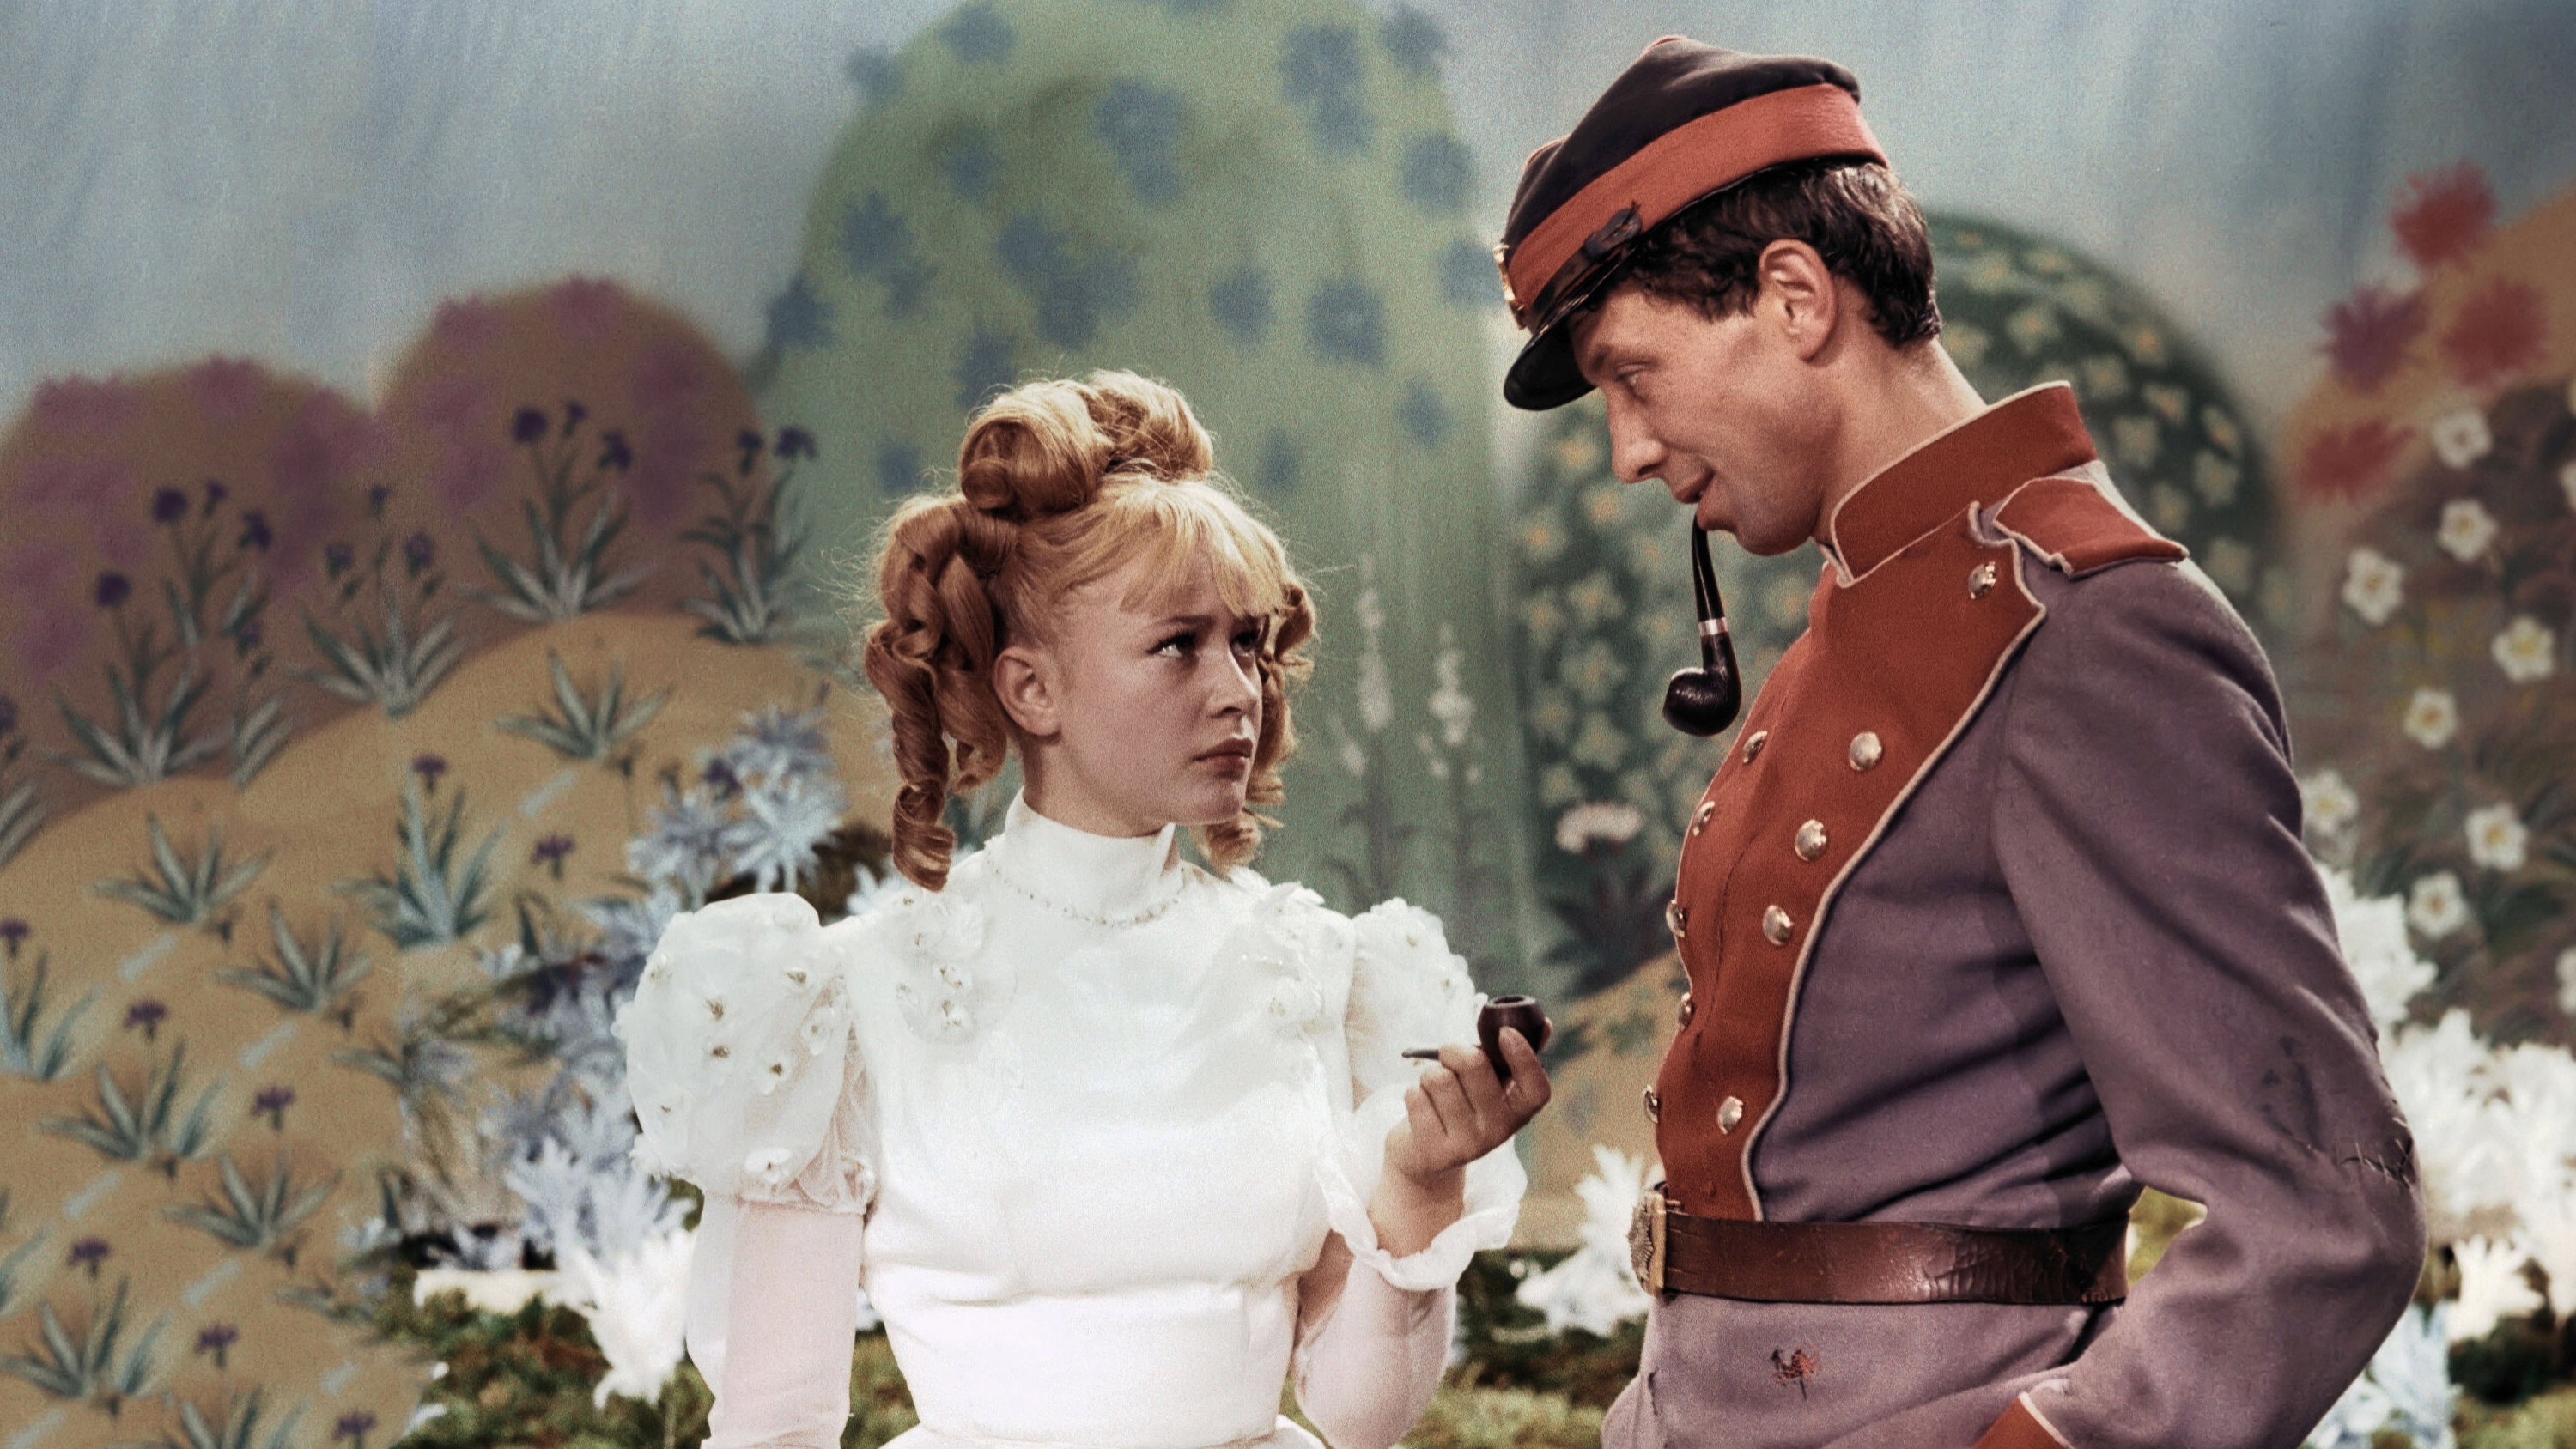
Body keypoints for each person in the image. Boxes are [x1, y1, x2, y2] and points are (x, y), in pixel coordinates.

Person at [1492, 37, 2425, 1449]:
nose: (1626, 448)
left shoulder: (2089, 629)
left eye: (1633, 375)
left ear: (1794, 297)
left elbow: (2324, 1209)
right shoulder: (1863, 607)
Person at [616, 372, 1547, 1449]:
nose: (1238, 689)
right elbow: (777, 1421)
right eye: (1178, 642)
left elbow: (1360, 1415)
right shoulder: (849, 996)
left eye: (1247, 642)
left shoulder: (1320, 972)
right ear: (1031, 688)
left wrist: (1420, 1184)